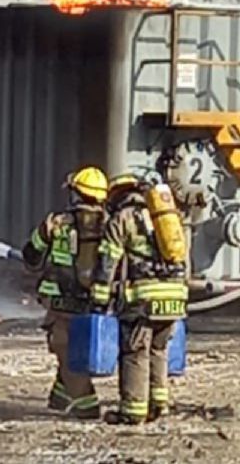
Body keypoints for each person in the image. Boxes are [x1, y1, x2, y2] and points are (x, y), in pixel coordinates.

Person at [91, 173, 188, 424]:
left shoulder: (122, 219)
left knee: (135, 352)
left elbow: (107, 261)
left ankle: (132, 413)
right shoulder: (168, 217)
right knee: (158, 350)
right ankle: (159, 405)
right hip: (174, 298)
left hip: (143, 299)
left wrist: (100, 298)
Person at [22, 167, 109, 419]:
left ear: (76, 195)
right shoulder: (111, 224)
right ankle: (60, 397)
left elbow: (32, 257)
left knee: (65, 351)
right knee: (74, 350)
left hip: (60, 304)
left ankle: (86, 405)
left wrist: (43, 237)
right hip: (95, 302)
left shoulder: (56, 223)